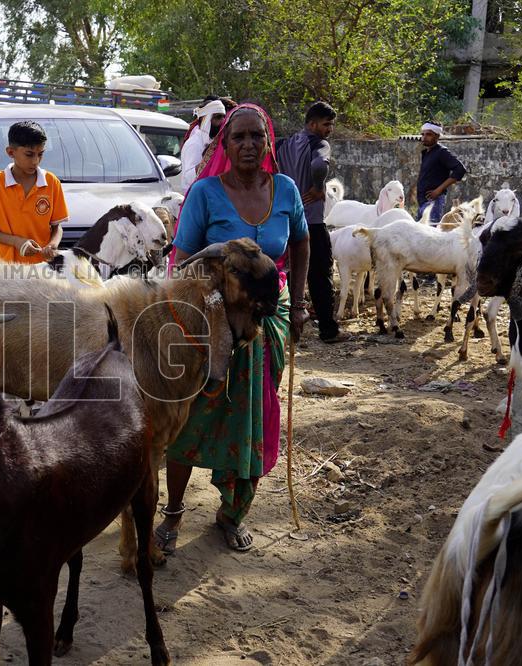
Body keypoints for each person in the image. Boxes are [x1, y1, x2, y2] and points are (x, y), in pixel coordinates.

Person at [156, 104, 309, 553]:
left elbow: (301, 242)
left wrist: (297, 303)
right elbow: (182, 262)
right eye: (238, 137)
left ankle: (232, 512)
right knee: (194, 413)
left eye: (256, 137)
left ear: (268, 142)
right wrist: (205, 312)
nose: (248, 145)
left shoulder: (285, 190)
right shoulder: (205, 194)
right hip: (215, 319)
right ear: (224, 144)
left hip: (270, 318)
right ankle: (173, 510)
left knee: (254, 414)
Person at [277, 101, 350, 342]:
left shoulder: (285, 144)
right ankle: (328, 330)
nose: (329, 129)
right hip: (311, 220)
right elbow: (319, 164)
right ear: (312, 123)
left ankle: (283, 326)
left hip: (284, 219)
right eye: (326, 124)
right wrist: (319, 187)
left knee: (285, 272)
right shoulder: (319, 144)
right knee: (320, 274)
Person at [0, 120, 68, 264]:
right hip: (5, 267)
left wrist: (52, 245)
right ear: (10, 152)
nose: (36, 161)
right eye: (29, 154)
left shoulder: (51, 182)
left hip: (41, 268)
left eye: (40, 154)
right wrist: (16, 242)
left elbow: (57, 228)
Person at [417, 121, 466, 225]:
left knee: (430, 235)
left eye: (429, 134)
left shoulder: (441, 152)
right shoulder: (426, 153)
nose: (424, 137)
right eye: (423, 134)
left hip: (434, 202)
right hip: (422, 202)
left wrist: (439, 190)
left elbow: (460, 169)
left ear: (437, 136)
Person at [180, 97, 226, 193]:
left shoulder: (214, 142)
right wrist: (209, 160)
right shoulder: (194, 144)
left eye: (223, 117)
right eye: (218, 117)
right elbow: (188, 178)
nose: (222, 121)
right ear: (206, 119)